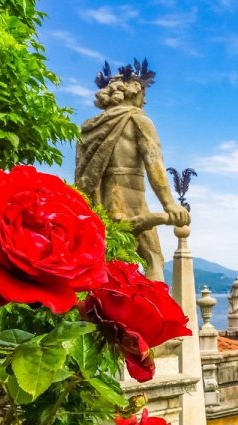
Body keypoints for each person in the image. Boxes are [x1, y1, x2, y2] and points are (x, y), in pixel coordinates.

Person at [75, 60, 190, 281]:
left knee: (107, 263)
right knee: (153, 258)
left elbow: (82, 175)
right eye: (143, 92)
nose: (144, 99)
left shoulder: (88, 127)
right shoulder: (137, 119)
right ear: (131, 92)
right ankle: (155, 313)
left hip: (98, 205)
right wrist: (169, 205)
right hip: (132, 200)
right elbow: (154, 161)